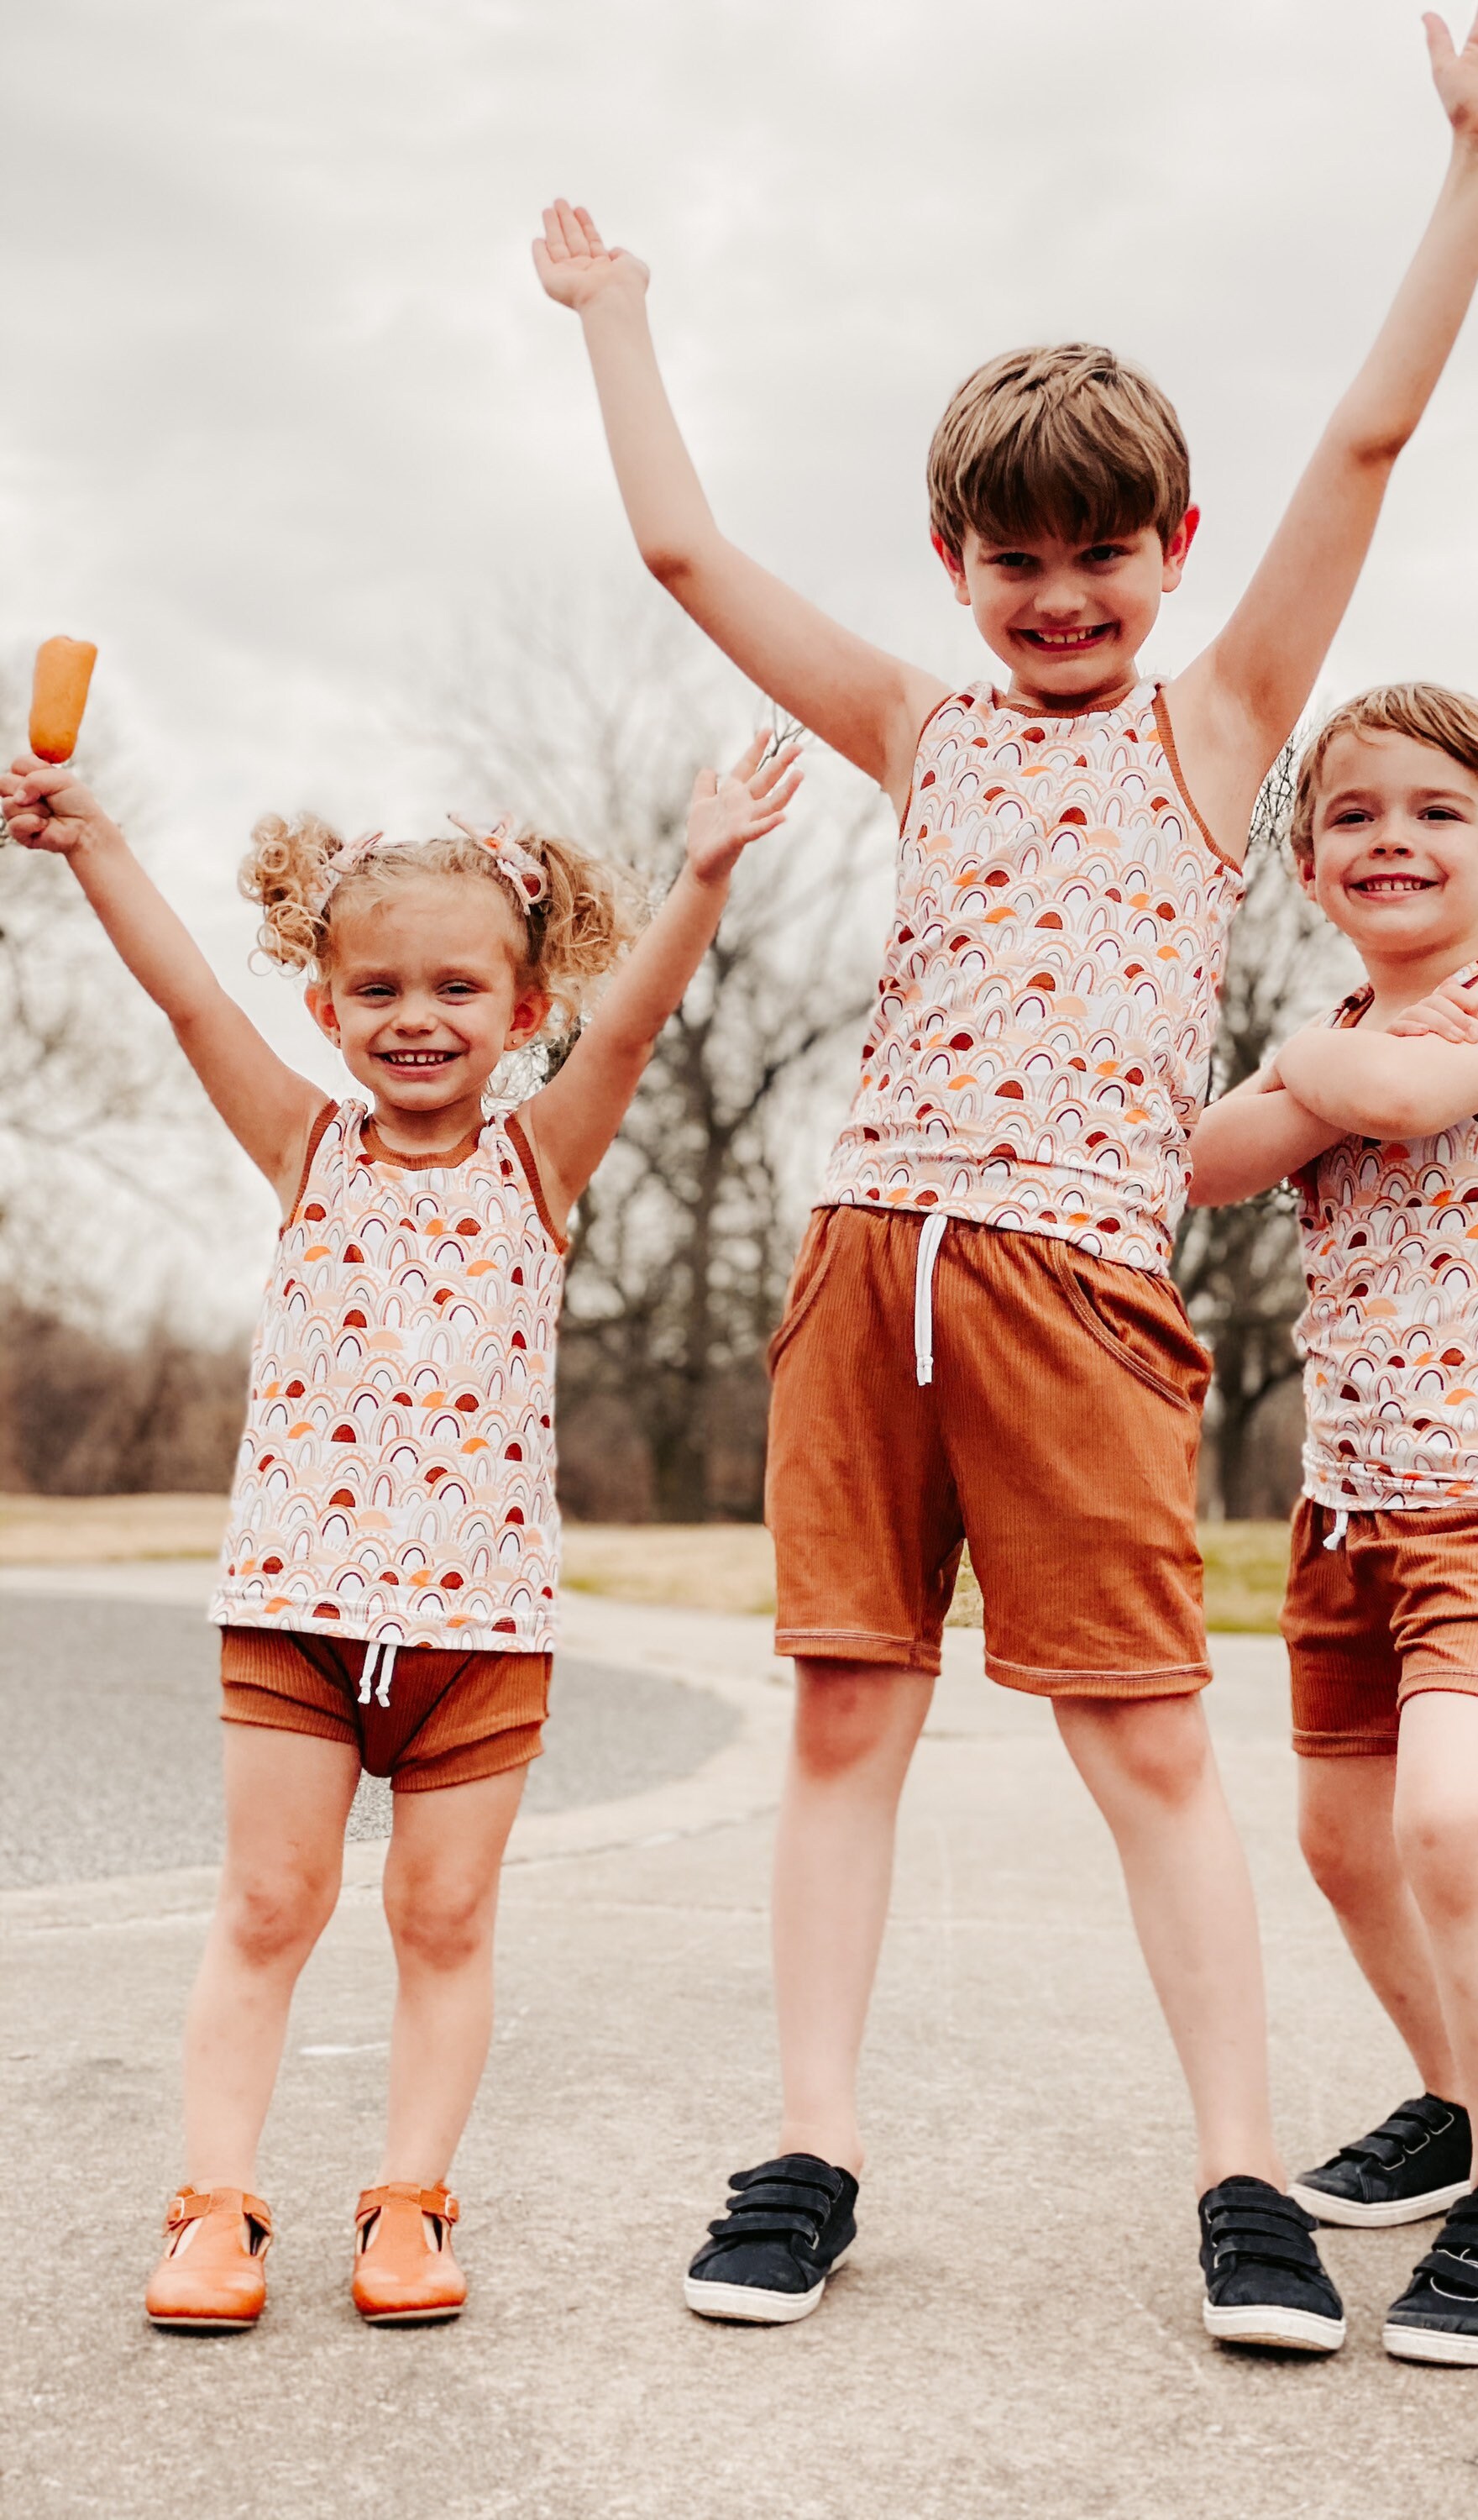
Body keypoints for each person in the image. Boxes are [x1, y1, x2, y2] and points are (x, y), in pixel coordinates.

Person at [535, 0, 1478, 2349]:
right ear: (957, 560)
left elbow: (1372, 438)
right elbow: (687, 552)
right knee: (839, 1716)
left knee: (1140, 1738)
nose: (1059, 596)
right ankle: (805, 2155)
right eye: (1016, 561)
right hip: (861, 1264)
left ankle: (1239, 2181)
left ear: (1173, 551)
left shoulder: (1218, 735)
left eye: (1102, 553)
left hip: (1081, 1293)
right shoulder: (921, 727)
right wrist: (621, 326)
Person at [0, 734, 801, 2330]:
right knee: (267, 1908)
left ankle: (410, 2200)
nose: (416, 1020)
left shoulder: (536, 1161)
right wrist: (87, 838)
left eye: (456, 990)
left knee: (442, 1919)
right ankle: (215, 2203)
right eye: (377, 993)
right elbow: (184, 1002)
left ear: (521, 1014)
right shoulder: (304, 1150)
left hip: (482, 1632)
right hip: (294, 1611)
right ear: (329, 1009)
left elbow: (638, 1021)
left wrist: (706, 866)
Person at [1190, 681, 1478, 2365]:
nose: (1394, 840)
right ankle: (1454, 2092)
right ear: (1307, 862)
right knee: (1344, 1845)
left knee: (1453, 1827)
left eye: (1436, 812)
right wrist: (1314, 1063)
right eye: (1354, 816)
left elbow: (1410, 1100)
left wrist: (1311, 1064)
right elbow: (1211, 1160)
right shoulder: (1345, 1038)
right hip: (1347, 1513)